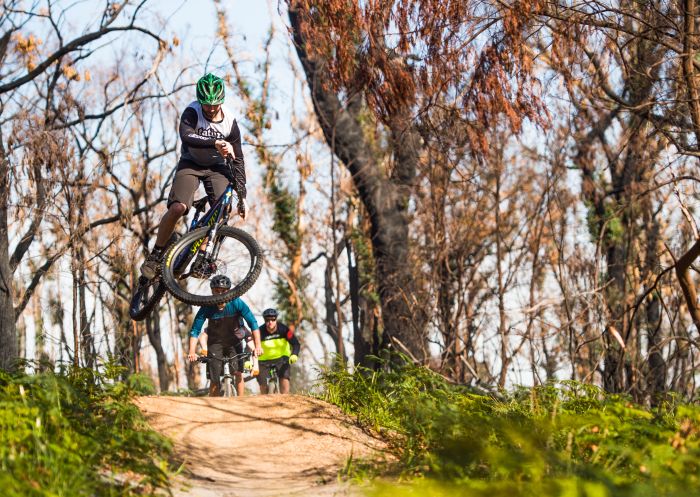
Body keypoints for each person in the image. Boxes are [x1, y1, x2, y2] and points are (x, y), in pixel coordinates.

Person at [140, 73, 247, 280]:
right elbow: (186, 136)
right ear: (200, 101)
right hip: (191, 163)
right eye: (206, 104)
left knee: (223, 209)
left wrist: (242, 195)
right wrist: (215, 142)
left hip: (217, 168)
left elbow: (239, 159)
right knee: (178, 207)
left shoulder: (230, 123)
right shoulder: (192, 112)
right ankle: (156, 255)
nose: (211, 108)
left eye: (215, 104)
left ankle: (204, 256)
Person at [187, 275, 262, 396]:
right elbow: (195, 330)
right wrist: (191, 351)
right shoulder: (206, 306)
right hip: (215, 343)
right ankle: (214, 407)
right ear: (212, 291)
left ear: (229, 290)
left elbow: (253, 323)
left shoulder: (237, 302)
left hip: (234, 342)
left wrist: (258, 346)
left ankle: (241, 402)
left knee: (238, 373)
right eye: (217, 291)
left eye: (223, 291)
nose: (220, 294)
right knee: (215, 379)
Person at [256, 308, 300, 394]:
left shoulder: (284, 329)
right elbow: (250, 346)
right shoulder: (259, 331)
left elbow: (295, 343)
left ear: (276, 319)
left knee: (284, 378)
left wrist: (294, 354)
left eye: (273, 319)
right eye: (267, 320)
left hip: (282, 359)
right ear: (264, 320)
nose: (270, 322)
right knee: (263, 384)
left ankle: (285, 399)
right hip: (263, 361)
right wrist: (248, 361)